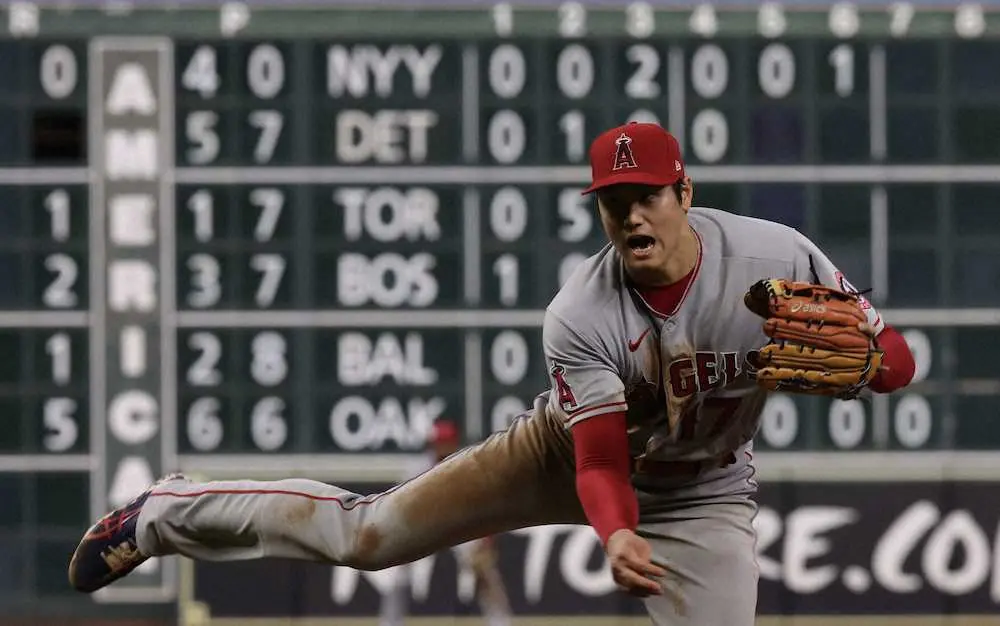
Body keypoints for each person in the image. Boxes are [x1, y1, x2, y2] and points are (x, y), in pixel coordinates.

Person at [68, 122, 916, 625]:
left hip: (706, 492)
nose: (628, 213)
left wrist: (876, 359)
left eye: (647, 194)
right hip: (562, 456)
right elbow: (595, 464)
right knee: (368, 538)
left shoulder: (776, 257)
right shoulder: (581, 311)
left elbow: (898, 366)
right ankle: (167, 513)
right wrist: (616, 530)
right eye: (611, 200)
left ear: (684, 192)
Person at [379, 420, 511, 626]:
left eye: (445, 442)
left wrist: (485, 539)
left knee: (484, 570)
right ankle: (390, 622)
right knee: (397, 572)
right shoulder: (417, 468)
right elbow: (398, 505)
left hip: (459, 523)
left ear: (454, 442)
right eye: (438, 442)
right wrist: (399, 538)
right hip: (422, 523)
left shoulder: (467, 464)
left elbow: (482, 505)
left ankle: (500, 622)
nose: (441, 447)